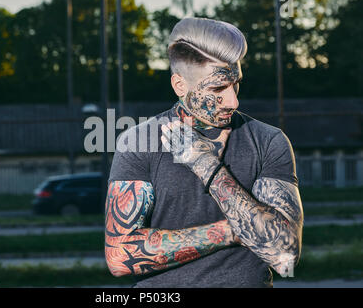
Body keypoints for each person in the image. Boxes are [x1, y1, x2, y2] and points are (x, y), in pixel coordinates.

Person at [104, 17, 303, 288]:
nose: (233, 100)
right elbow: (118, 257)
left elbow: (284, 255)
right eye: (217, 88)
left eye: (236, 84)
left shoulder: (269, 141)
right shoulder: (138, 142)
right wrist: (233, 230)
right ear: (180, 85)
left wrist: (207, 166)